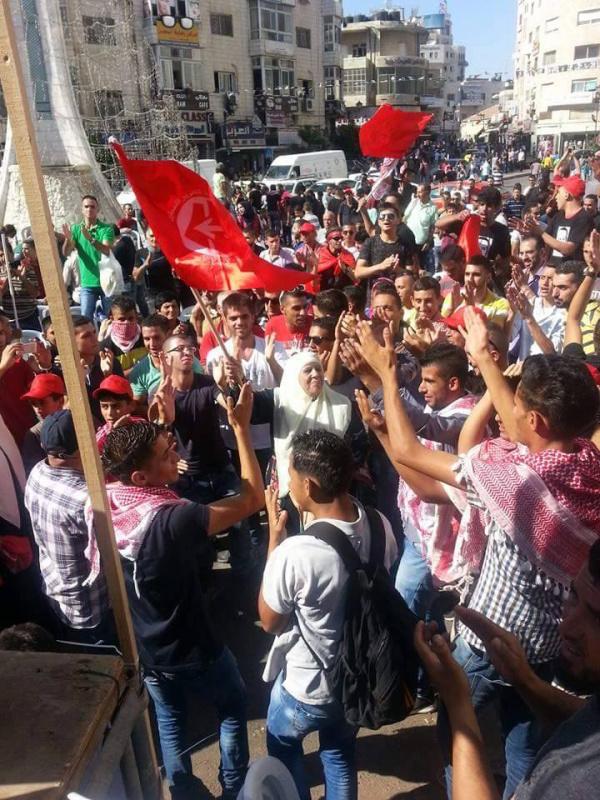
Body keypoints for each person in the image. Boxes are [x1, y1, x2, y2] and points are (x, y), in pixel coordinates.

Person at [353, 313, 600, 798]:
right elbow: (521, 426)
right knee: (523, 736)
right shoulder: (588, 466)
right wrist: (486, 360)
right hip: (549, 647)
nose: (507, 414)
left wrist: (386, 375)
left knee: (457, 730)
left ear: (535, 421)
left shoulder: (514, 481)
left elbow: (411, 453)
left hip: (489, 643)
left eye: (517, 406)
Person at [101, 384, 264, 799]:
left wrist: (160, 423)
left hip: (150, 649)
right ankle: (234, 788)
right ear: (140, 477)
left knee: (170, 719)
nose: (176, 455)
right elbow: (251, 499)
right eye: (165, 455)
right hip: (195, 647)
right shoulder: (174, 519)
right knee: (232, 705)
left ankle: (185, 791)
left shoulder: (111, 503)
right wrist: (241, 430)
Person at [260, 431, 397, 800]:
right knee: (339, 753)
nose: (288, 484)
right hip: (357, 680)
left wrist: (274, 540)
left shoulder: (297, 552)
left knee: (283, 746)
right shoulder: (380, 524)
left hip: (307, 687)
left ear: (309, 484)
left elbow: (270, 621)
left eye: (290, 476)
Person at [415, 541, 600, 800]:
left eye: (597, 619)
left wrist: (458, 705)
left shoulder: (581, 783)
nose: (565, 628)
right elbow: (588, 721)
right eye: (574, 595)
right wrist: (524, 680)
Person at [24, 410, 113, 643]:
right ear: (84, 447)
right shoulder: (86, 500)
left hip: (56, 594)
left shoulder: (37, 472)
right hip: (91, 608)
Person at [62, 195, 115, 321]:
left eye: (92, 206)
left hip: (106, 281)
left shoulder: (106, 228)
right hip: (87, 283)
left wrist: (91, 239)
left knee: (111, 319)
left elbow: (106, 250)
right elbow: (66, 252)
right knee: (85, 320)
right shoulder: (76, 229)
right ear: (82, 209)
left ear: (98, 209)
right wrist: (67, 239)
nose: (89, 209)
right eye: (86, 206)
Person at [525, 175, 592, 264]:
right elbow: (545, 238)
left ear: (566, 195)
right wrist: (528, 232)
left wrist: (540, 232)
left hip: (572, 271)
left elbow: (568, 249)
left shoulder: (584, 218)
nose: (555, 197)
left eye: (558, 192)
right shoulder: (559, 216)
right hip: (553, 268)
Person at [355, 203, 417, 292]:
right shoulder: (370, 242)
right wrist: (381, 266)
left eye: (391, 216)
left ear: (398, 220)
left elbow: (412, 275)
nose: (386, 219)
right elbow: (358, 272)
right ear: (378, 222)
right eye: (382, 217)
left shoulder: (405, 244)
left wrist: (398, 270)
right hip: (375, 295)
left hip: (397, 295)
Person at [442, 255, 510, 330]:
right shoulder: (453, 296)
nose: (470, 279)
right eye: (467, 274)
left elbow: (493, 334)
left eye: (476, 275)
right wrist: (454, 309)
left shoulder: (501, 304)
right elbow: (441, 326)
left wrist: (471, 308)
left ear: (488, 278)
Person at [20, 372, 66, 474]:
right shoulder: (34, 435)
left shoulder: (81, 423)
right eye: (33, 403)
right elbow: (34, 473)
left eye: (42, 402)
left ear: (60, 401)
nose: (37, 409)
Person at [99, 294, 146, 374]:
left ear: (136, 316)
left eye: (130, 318)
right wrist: (135, 369)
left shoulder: (146, 337)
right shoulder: (106, 347)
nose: (126, 323)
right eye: (121, 319)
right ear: (112, 319)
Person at [92, 375, 137, 452]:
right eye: (104, 406)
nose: (110, 413)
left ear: (131, 405)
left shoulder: (141, 425)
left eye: (116, 406)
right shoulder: (100, 439)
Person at [135, 227, 177, 304]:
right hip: (154, 296)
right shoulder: (141, 253)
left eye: (156, 235)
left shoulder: (167, 249)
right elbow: (136, 277)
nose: (154, 239)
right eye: (151, 236)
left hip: (171, 292)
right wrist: (145, 265)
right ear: (146, 238)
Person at [264, 289, 312, 353]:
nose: (303, 313)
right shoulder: (273, 325)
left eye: (305, 307)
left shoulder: (314, 324)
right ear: (282, 309)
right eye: (296, 308)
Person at [403, 184, 437, 272]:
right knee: (408, 269)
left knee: (420, 269)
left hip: (421, 246)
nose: (417, 194)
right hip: (408, 243)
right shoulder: (414, 203)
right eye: (417, 192)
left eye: (420, 192)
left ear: (427, 192)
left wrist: (428, 241)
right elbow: (404, 218)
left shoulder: (433, 207)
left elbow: (432, 226)